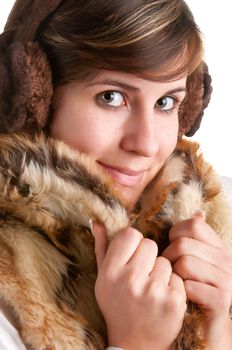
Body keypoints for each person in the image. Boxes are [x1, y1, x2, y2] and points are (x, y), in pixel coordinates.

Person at [0, 0, 232, 349]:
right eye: (112, 97)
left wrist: (217, 329)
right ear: (33, 98)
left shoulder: (222, 218)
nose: (147, 144)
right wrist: (135, 343)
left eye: (166, 103)